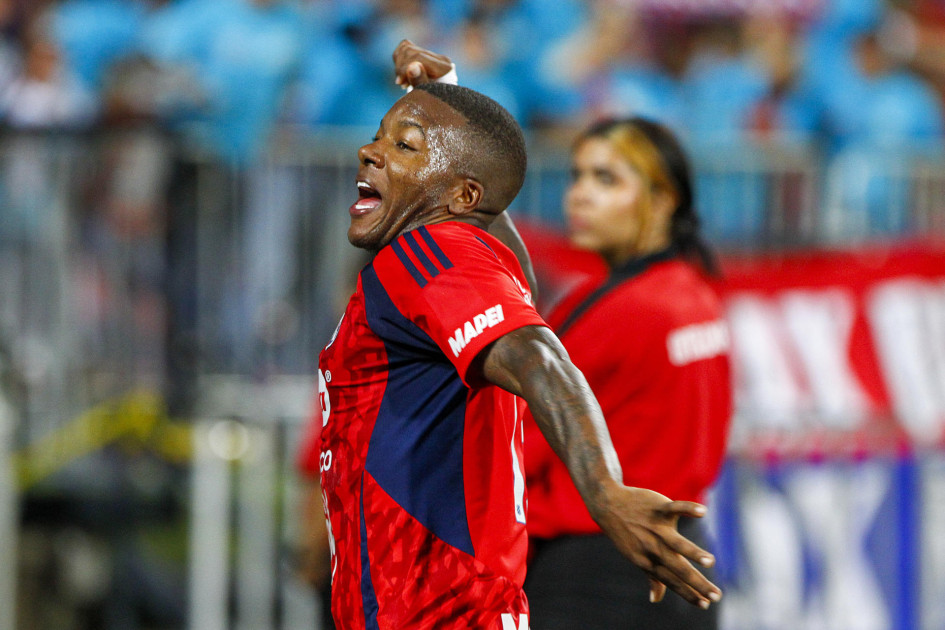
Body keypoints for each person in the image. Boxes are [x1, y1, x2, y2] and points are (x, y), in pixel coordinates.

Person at [297, 40, 722, 629]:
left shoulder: (426, 252)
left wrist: (605, 492)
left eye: (404, 146)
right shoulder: (692, 296)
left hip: (456, 604)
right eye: (380, 135)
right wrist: (455, 95)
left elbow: (541, 357)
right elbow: (501, 266)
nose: (370, 152)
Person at [522, 117, 733, 629]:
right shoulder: (697, 297)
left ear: (663, 200)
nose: (579, 195)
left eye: (606, 179)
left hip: (589, 573)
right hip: (683, 560)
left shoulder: (622, 309)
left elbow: (522, 440)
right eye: (577, 176)